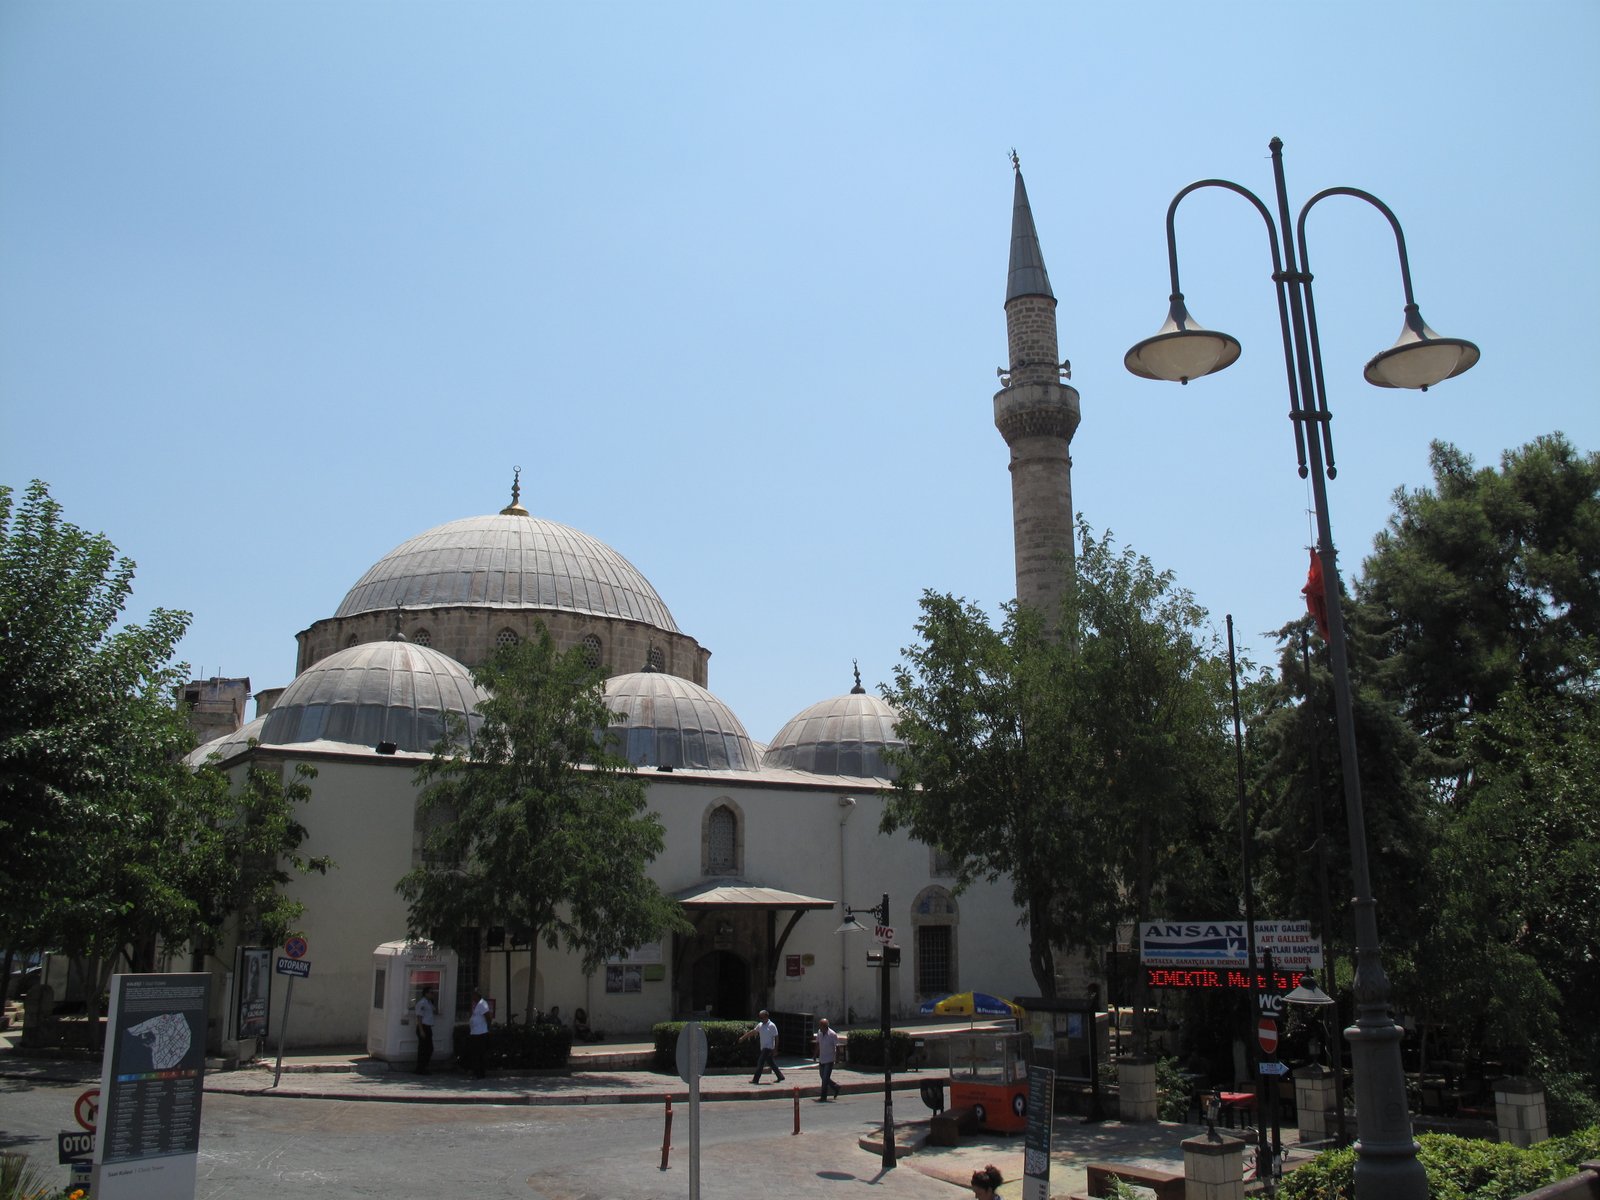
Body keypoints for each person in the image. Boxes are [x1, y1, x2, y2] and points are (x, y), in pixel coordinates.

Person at [740, 1009, 784, 1084]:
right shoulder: (760, 1025)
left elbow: (776, 1037)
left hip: (768, 1048)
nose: (761, 1019)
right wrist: (743, 1037)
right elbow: (753, 1032)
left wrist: (776, 1049)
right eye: (760, 1017)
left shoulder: (772, 1025)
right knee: (771, 1063)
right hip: (763, 1047)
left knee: (760, 1062)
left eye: (762, 1017)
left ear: (766, 1017)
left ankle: (755, 1079)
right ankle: (780, 1076)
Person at [815, 1016, 842, 1101]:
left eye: (821, 1026)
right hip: (822, 1058)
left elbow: (837, 1047)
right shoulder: (819, 1033)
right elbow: (817, 1044)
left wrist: (837, 1059)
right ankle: (836, 1087)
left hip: (829, 1059)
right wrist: (815, 1055)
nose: (820, 1027)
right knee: (823, 1076)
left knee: (825, 1079)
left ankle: (823, 1097)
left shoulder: (832, 1034)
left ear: (825, 1026)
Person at [467, 987, 491, 1078]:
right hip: (475, 1032)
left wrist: (488, 1028)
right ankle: (476, 1072)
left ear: (477, 995)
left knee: (479, 1054)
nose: (472, 996)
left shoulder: (482, 1004)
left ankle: (479, 1073)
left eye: (473, 994)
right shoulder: (475, 1004)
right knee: (475, 1054)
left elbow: (488, 1017)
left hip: (481, 1033)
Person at [413, 988, 435, 1075]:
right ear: (426, 993)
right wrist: (421, 1030)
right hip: (423, 1027)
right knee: (423, 1049)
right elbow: (419, 1017)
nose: (432, 994)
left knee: (429, 1049)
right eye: (431, 993)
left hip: (428, 1027)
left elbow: (434, 1010)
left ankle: (424, 1066)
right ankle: (420, 1068)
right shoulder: (422, 1003)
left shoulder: (429, 1003)